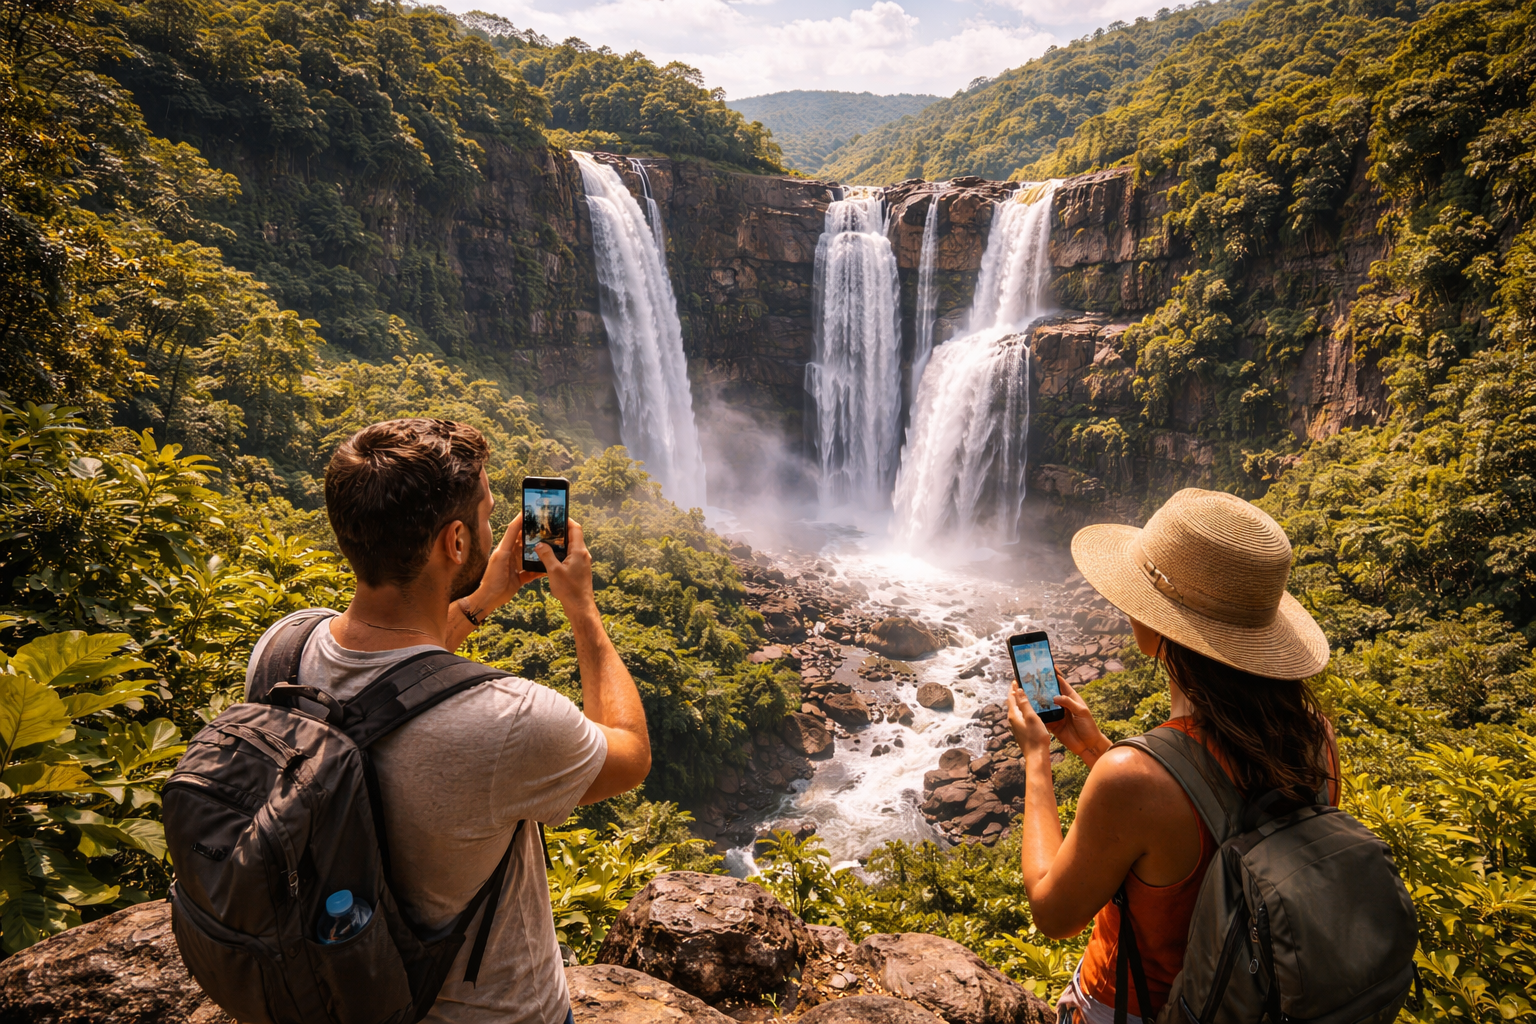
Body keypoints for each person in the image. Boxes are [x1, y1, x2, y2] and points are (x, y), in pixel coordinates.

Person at [245, 418, 651, 1024]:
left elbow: (395, 672)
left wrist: (481, 601)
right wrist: (583, 608)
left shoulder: (282, 651)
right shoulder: (509, 720)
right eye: (487, 514)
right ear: (456, 542)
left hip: (328, 995)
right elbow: (630, 753)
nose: (494, 527)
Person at [1005, 488, 1337, 1024]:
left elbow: (1052, 910)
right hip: (1254, 1004)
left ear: (1160, 622)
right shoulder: (1316, 737)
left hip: (1138, 1008)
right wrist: (1093, 748)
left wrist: (1037, 756)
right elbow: (1204, 818)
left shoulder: (1135, 779)